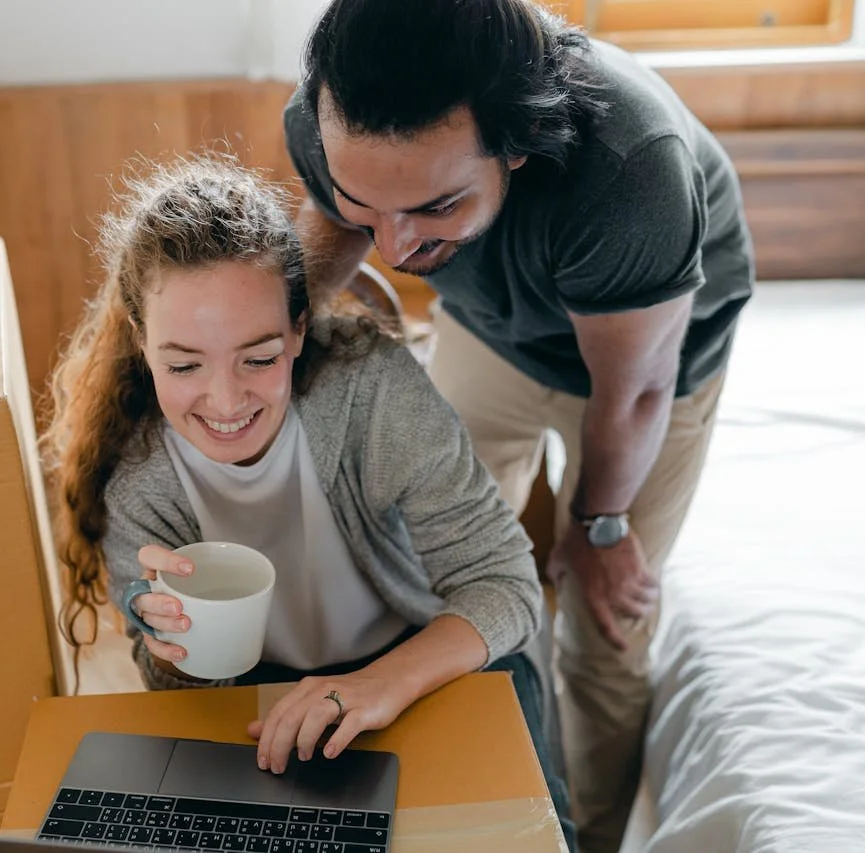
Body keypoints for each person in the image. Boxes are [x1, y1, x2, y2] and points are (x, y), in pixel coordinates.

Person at [281, 2, 755, 851]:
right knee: (431, 579)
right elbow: (336, 235)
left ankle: (588, 837)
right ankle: (461, 817)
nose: (392, 247)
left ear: (519, 146)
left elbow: (637, 389)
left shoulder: (629, 164)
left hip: (651, 365)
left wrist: (599, 525)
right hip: (493, 330)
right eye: (368, 203)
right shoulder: (327, 114)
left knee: (605, 625)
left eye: (432, 207)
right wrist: (263, 345)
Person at [40, 155, 576, 848]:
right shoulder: (138, 481)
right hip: (269, 700)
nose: (227, 401)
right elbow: (193, 704)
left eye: (259, 357)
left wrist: (375, 685)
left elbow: (505, 585)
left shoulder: (371, 394)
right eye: (183, 365)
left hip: (426, 660)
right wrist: (172, 647)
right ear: (142, 343)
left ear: (298, 328)